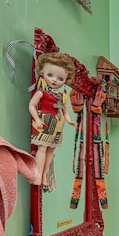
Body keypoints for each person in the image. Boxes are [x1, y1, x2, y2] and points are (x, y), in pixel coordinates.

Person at [29, 52, 78, 189]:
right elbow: (31, 106)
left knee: (51, 150)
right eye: (50, 75)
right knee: (42, 148)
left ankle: (44, 174)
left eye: (60, 78)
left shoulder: (62, 96)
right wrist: (37, 119)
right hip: (44, 121)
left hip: (57, 123)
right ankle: (38, 174)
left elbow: (65, 111)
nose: (55, 80)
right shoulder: (41, 92)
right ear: (42, 72)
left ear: (66, 80)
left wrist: (70, 121)